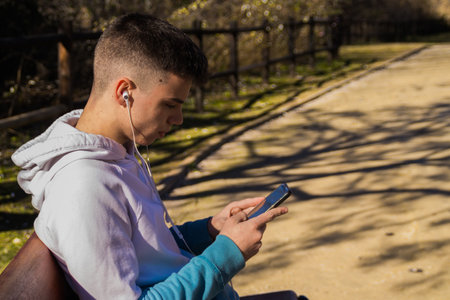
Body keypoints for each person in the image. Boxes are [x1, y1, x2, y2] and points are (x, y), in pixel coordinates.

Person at [11, 13, 288, 299]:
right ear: (124, 92)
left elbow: (149, 251)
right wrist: (225, 255)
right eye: (170, 104)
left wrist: (209, 231)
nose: (178, 119)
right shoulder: (84, 186)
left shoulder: (118, 152)